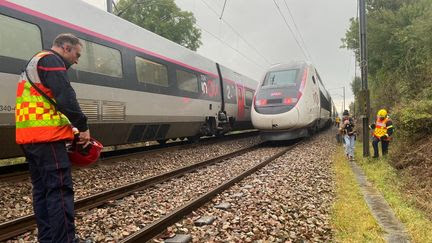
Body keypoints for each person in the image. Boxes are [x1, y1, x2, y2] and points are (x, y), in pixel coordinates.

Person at [16, 33, 90, 243]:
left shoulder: (35, 61)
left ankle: (48, 239)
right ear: (66, 48)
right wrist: (82, 127)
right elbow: (66, 97)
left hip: (29, 137)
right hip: (47, 138)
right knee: (59, 191)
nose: (76, 60)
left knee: (42, 191)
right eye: (76, 54)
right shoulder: (51, 61)